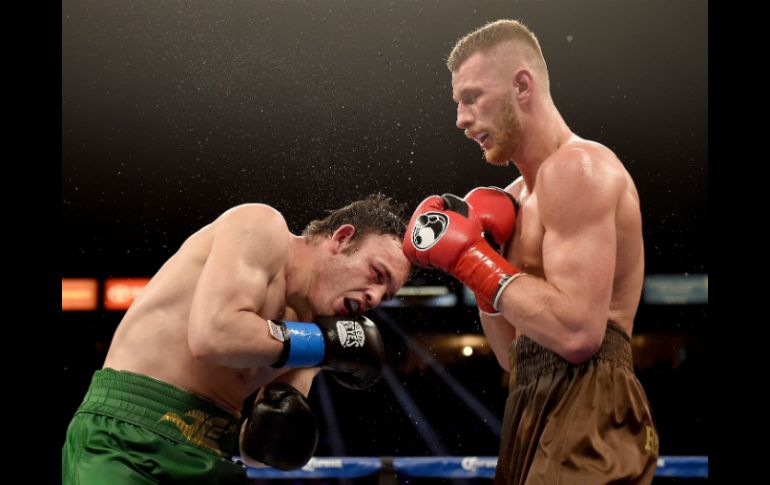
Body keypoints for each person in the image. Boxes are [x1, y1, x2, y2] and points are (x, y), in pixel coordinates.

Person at [403, 19, 658, 484]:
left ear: (522, 85)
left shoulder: (579, 167)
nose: (460, 119)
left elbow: (580, 334)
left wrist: (469, 259)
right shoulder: (513, 199)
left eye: (472, 97)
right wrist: (482, 261)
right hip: (527, 403)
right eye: (458, 102)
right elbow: (510, 354)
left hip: (592, 397)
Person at [62, 194, 412, 484]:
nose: (375, 297)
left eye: (387, 293)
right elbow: (213, 335)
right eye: (376, 274)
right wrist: (325, 346)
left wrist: (282, 437)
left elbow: (255, 451)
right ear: (341, 238)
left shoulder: (320, 331)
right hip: (128, 434)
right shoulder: (261, 228)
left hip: (212, 453)